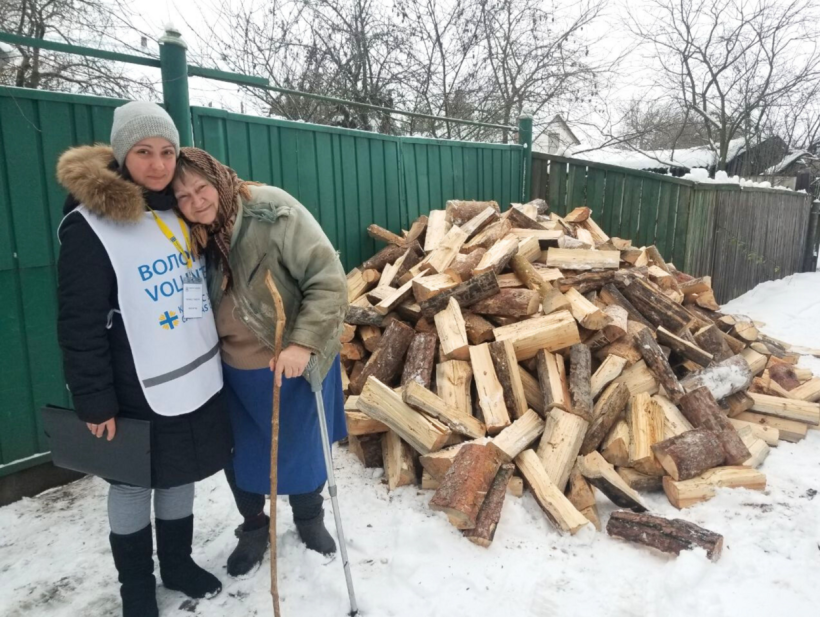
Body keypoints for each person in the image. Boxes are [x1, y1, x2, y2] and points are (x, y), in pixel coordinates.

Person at [56, 103, 233, 617]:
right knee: (133, 484)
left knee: (179, 473)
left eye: (167, 152)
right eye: (143, 152)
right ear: (121, 153)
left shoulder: (178, 208)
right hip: (130, 382)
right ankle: (136, 587)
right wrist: (93, 399)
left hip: (192, 372)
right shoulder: (89, 224)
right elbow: (78, 321)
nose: (157, 165)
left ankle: (177, 564)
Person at [171, 147, 348, 577]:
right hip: (230, 370)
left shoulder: (272, 210)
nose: (196, 201)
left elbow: (328, 279)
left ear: (219, 178)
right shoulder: (182, 233)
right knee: (242, 456)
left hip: (291, 361)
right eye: (183, 196)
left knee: (303, 451)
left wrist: (302, 344)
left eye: (202, 188)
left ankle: (309, 518)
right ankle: (253, 527)